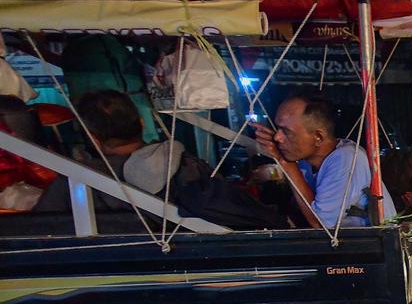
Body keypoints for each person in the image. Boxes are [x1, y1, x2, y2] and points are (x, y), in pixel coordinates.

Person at [33, 89, 284, 229]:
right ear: (141, 124)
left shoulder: (75, 183)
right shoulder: (184, 165)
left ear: (94, 138)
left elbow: (38, 230)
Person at [254, 92, 393, 228]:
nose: (277, 138)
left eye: (286, 132)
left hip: (372, 246)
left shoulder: (346, 159)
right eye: (278, 129)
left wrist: (285, 163)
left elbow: (321, 224)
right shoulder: (306, 162)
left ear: (318, 137)